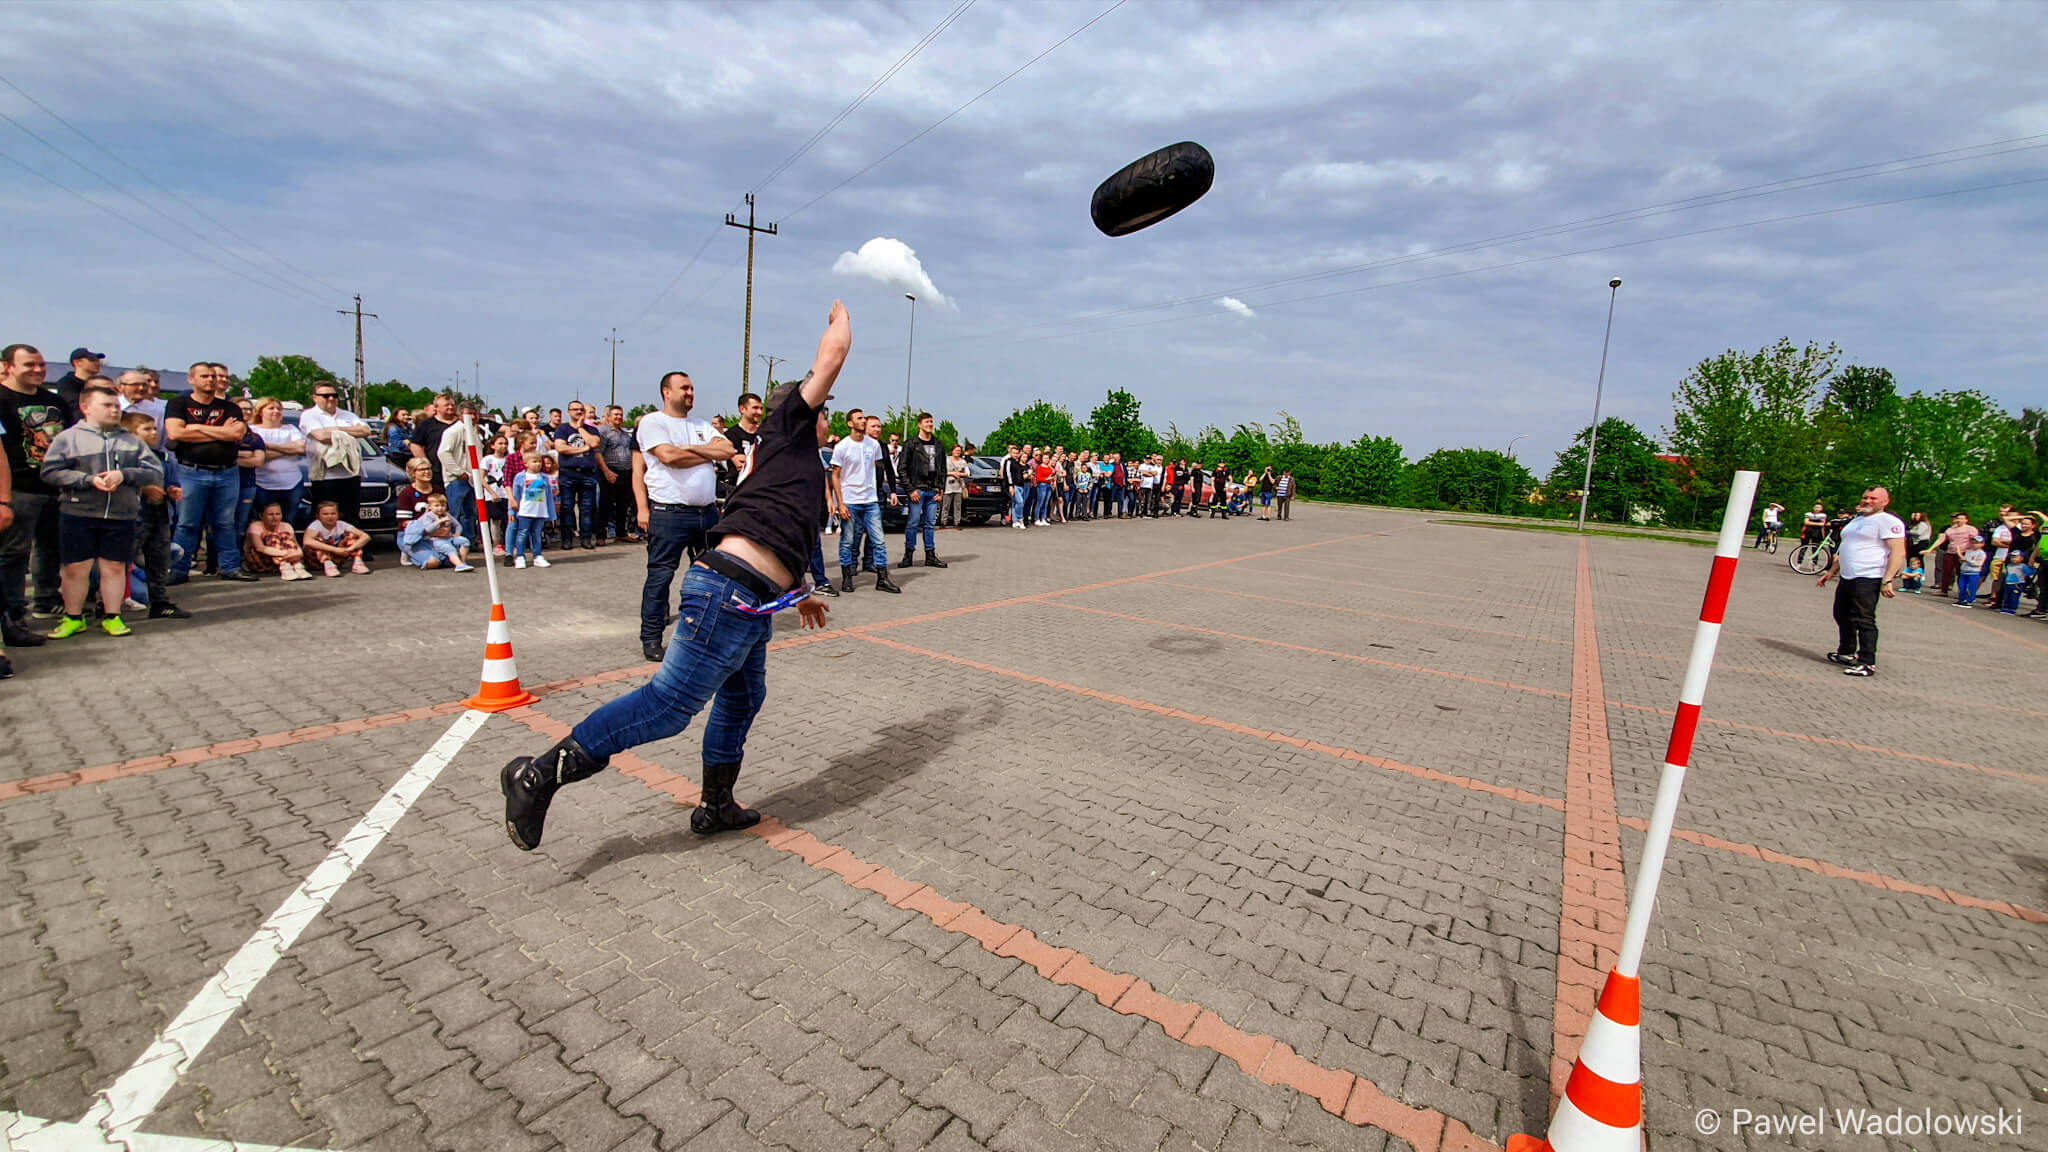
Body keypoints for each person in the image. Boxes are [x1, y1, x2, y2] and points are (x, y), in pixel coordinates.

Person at [499, 300, 846, 853]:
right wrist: (841, 322)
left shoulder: (788, 462)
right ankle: (537, 775)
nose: (829, 417)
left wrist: (799, 592)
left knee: (743, 696)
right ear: (805, 412)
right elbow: (831, 358)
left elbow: (774, 531)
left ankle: (716, 805)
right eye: (825, 410)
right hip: (727, 595)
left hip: (748, 600)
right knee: (668, 705)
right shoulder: (788, 429)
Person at [39, 382, 161, 637]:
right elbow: (50, 472)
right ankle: (74, 617)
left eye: (116, 405)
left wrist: (124, 475)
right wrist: (86, 480)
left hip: (121, 514)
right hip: (78, 513)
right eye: (107, 405)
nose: (115, 410)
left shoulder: (132, 441)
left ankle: (112, 616)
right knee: (75, 568)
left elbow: (153, 471)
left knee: (115, 567)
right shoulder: (67, 438)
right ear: (85, 407)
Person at [635, 371, 730, 662]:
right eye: (684, 388)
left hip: (707, 514)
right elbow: (668, 457)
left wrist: (688, 448)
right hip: (670, 514)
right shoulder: (653, 422)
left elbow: (727, 449)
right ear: (666, 392)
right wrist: (708, 453)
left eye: (691, 388)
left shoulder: (700, 424)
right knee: (661, 577)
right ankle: (652, 637)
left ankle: (705, 632)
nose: (690, 393)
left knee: (710, 577)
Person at [1, 344, 69, 648]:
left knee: (51, 548)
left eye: (41, 364)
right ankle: (13, 614)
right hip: (19, 488)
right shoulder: (2, 399)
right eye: (29, 364)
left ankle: (46, 599)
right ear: (8, 366)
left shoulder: (54, 401)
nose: (38, 370)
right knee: (14, 554)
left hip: (56, 486)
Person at [164, 362, 255, 584]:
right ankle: (179, 570)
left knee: (225, 523)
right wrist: (221, 431)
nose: (210, 380)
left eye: (213, 377)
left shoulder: (230, 408)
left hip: (227, 472)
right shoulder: (179, 403)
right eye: (204, 376)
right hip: (191, 472)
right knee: (187, 523)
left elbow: (235, 435)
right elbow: (175, 433)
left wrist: (195, 428)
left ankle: (230, 567)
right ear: (191, 379)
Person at [1816, 486, 1904, 677]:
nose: (1867, 501)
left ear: (1885, 501)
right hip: (1848, 576)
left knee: (1864, 619)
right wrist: (1831, 571)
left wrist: (1887, 579)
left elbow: (1898, 552)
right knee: (1841, 614)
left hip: (1868, 577)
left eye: (1873, 498)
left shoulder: (1888, 521)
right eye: (1865, 497)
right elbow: (1847, 547)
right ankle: (1846, 652)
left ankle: (1867, 662)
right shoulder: (1857, 519)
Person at [831, 411, 897, 592]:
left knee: (879, 541)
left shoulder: (873, 445)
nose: (863, 420)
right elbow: (835, 476)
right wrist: (840, 503)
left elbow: (873, 468)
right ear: (850, 423)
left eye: (864, 418)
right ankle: (847, 577)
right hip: (850, 500)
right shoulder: (842, 447)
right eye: (859, 418)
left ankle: (882, 579)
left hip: (870, 500)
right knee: (848, 540)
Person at [299, 381, 373, 525]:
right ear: (315, 398)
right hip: (325, 476)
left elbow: (365, 431)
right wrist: (350, 433)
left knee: (350, 518)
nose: (331, 399)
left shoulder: (348, 415)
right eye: (326, 396)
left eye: (334, 395)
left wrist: (336, 429)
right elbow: (321, 436)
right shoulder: (309, 416)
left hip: (350, 474)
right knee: (325, 520)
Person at [896, 412, 949, 568]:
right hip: (917, 489)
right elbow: (902, 468)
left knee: (930, 524)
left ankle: (930, 555)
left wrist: (941, 488)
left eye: (931, 421)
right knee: (913, 523)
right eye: (927, 422)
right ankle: (908, 554)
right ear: (919, 424)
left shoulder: (938, 444)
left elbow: (943, 468)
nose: (930, 424)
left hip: (932, 490)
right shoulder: (911, 444)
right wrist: (910, 489)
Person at [551, 401, 603, 550]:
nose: (579, 412)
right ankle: (566, 539)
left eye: (581, 410)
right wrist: (583, 449)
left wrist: (580, 428)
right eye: (575, 409)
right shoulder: (562, 429)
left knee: (587, 509)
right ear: (568, 412)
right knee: (567, 508)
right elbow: (561, 448)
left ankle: (586, 539)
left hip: (587, 474)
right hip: (568, 473)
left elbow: (594, 443)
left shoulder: (591, 429)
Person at [248, 398, 307, 524]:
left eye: (279, 408)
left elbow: (301, 448)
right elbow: (258, 456)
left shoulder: (290, 428)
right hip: (262, 485)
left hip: (292, 484)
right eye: (271, 408)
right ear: (260, 412)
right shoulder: (253, 430)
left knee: (288, 521)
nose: (276, 411)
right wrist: (289, 449)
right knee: (262, 523)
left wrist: (268, 446)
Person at [436, 403, 485, 541]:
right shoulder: (453, 431)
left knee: (469, 513)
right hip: (457, 480)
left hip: (473, 479)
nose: (473, 417)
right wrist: (458, 472)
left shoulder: (475, 431)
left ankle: (468, 540)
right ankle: (453, 540)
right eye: (469, 414)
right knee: (455, 513)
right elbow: (443, 453)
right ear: (460, 415)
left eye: (475, 413)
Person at [400, 494, 474, 571]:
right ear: (430, 507)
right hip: (434, 540)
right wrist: (439, 522)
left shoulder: (446, 515)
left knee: (464, 541)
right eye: (436, 506)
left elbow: (457, 525)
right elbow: (427, 530)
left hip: (449, 537)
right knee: (449, 548)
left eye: (443, 506)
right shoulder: (427, 517)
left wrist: (457, 533)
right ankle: (459, 565)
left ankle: (463, 562)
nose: (440, 508)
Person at [507, 451, 555, 569]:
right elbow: (516, 495)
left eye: (539, 462)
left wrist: (550, 512)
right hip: (525, 511)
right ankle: (520, 556)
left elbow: (548, 496)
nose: (538, 464)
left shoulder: (544, 477)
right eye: (534, 461)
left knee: (537, 534)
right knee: (522, 533)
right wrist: (511, 510)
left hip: (540, 511)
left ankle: (537, 556)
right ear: (526, 463)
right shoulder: (520, 477)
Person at [596, 405, 636, 543]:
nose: (619, 417)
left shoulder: (625, 434)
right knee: (605, 505)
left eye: (620, 414)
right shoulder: (603, 432)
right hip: (609, 472)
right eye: (615, 414)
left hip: (625, 473)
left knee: (623, 505)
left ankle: (621, 532)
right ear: (608, 417)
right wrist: (606, 472)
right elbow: (598, 453)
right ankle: (601, 535)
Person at [243, 500, 313, 580]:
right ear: (261, 516)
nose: (275, 517)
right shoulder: (255, 526)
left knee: (285, 535)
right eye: (270, 514)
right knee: (271, 536)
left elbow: (296, 546)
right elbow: (260, 548)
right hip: (259, 559)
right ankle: (285, 566)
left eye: (277, 514)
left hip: (282, 559)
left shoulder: (286, 526)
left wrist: (298, 554)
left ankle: (297, 567)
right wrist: (285, 554)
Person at [302, 501, 371, 577]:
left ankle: (358, 563)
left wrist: (350, 549)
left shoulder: (342, 524)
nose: (330, 517)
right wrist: (335, 550)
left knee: (352, 536)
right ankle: (328, 565)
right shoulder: (316, 525)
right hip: (316, 560)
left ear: (338, 515)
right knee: (318, 541)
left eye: (333, 514)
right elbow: (307, 541)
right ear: (318, 516)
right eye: (325, 514)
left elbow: (365, 536)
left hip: (337, 557)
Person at [408, 393, 457, 486]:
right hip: (436, 472)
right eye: (446, 405)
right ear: (436, 407)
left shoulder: (461, 423)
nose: (450, 407)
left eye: (452, 405)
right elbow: (415, 445)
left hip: (459, 471)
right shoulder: (426, 424)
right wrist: (426, 464)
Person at [49, 347, 103, 424]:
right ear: (78, 362)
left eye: (98, 360)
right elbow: (74, 409)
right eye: (92, 360)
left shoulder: (100, 383)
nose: (97, 363)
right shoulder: (67, 383)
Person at [481, 433, 510, 555]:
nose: (503, 446)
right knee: (495, 520)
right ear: (493, 445)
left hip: (506, 493)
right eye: (500, 443)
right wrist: (492, 493)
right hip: (493, 494)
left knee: (507, 519)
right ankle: (496, 544)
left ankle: (508, 544)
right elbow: (481, 478)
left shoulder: (509, 459)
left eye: (505, 443)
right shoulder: (487, 460)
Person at [1934, 512, 1974, 595]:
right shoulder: (1950, 529)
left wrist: (1973, 552)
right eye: (1958, 518)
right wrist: (1930, 549)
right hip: (1950, 552)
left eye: (1962, 518)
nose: (1959, 520)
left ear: (1966, 520)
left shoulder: (1971, 529)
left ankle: (1962, 591)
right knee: (1946, 571)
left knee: (1960, 572)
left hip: (1963, 552)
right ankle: (1943, 590)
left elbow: (1975, 541)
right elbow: (1941, 539)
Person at [942, 443, 969, 529]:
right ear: (952, 451)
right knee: (946, 505)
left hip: (958, 487)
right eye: (956, 450)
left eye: (959, 450)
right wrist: (952, 473)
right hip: (948, 486)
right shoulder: (946, 460)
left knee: (957, 506)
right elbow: (942, 472)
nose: (957, 452)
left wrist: (960, 474)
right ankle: (943, 523)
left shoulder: (963, 461)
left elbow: (967, 473)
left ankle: (957, 523)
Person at [1955, 535, 1987, 606]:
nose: (1974, 544)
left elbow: (1979, 564)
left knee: (1971, 587)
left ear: (1982, 544)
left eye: (1977, 543)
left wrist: (1967, 560)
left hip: (1974, 573)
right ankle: (1961, 599)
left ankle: (1969, 600)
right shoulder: (1968, 551)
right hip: (1964, 572)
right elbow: (1963, 560)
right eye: (1973, 543)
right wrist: (1961, 559)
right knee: (1962, 586)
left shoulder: (1981, 553)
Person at [1003, 444, 1029, 529]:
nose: (1015, 454)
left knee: (1015, 503)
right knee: (1020, 502)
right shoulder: (1008, 461)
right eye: (1014, 453)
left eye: (1017, 453)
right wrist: (1010, 486)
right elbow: (1008, 474)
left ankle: (1015, 521)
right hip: (1014, 485)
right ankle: (1020, 519)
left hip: (1021, 485)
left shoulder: (1017, 463)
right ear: (1010, 453)